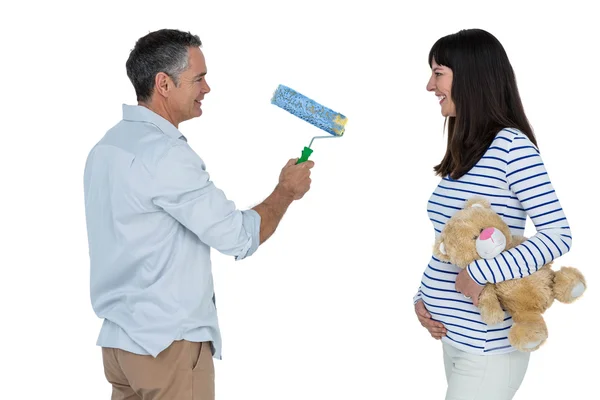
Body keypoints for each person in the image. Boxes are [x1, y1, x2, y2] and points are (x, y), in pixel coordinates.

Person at [83, 28, 314, 400]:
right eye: (198, 79)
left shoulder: (106, 148)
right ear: (163, 84)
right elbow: (239, 238)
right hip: (167, 347)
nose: (207, 89)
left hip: (120, 347)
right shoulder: (166, 154)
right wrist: (285, 192)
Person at [413, 28, 572, 400]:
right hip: (455, 338)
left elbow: (558, 234)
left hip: (488, 347)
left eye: (438, 73)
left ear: (471, 78)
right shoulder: (465, 150)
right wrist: (422, 297)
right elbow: (451, 243)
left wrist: (482, 272)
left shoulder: (512, 147)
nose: (429, 86)